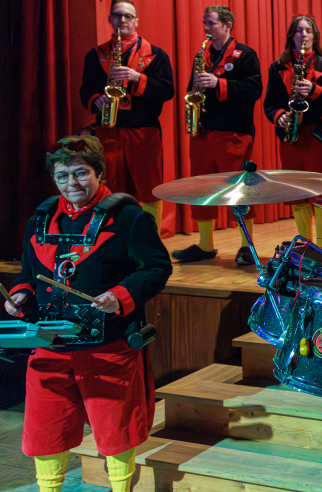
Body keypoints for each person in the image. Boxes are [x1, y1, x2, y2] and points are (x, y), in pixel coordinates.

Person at [4, 136, 172, 492]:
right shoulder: (42, 217)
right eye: (62, 176)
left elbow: (156, 268)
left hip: (107, 346)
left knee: (115, 431)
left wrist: (120, 295)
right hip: (50, 345)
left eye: (81, 174)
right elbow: (28, 275)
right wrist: (18, 296)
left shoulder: (129, 217)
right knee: (44, 430)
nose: (72, 184)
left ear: (99, 172)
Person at [171, 5, 263, 266]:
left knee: (240, 191)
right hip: (203, 130)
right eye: (204, 23)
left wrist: (219, 84)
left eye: (211, 23)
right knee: (201, 190)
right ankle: (205, 245)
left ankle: (247, 246)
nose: (206, 28)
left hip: (233, 132)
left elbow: (254, 90)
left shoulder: (245, 55)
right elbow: (192, 89)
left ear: (227, 25)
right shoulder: (203, 55)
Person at [79, 0, 174, 228]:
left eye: (128, 16)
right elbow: (85, 90)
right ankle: (115, 239)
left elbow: (167, 90)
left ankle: (151, 241)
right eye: (117, 15)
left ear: (136, 21)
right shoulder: (96, 55)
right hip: (108, 131)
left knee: (149, 188)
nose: (122, 20)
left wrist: (137, 78)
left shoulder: (156, 55)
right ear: (110, 18)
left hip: (144, 132)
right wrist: (96, 99)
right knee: (110, 188)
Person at [264, 15, 322, 249]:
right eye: (299, 30)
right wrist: (280, 116)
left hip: (318, 136)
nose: (304, 35)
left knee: (319, 193)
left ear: (315, 36)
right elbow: (270, 103)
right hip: (290, 136)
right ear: (291, 35)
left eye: (308, 31)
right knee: (296, 192)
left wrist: (315, 90)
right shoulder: (278, 67)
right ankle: (305, 245)